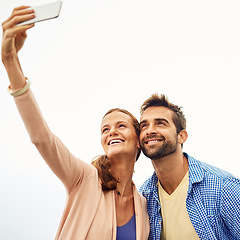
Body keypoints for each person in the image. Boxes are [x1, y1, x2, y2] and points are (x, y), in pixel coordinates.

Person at [1, 6, 149, 240]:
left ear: (139, 140)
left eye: (121, 125)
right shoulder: (84, 178)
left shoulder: (144, 205)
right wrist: (10, 60)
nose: (111, 131)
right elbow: (43, 139)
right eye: (105, 129)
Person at [139, 93, 240, 240]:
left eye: (160, 123)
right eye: (144, 126)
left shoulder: (223, 187)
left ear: (182, 136)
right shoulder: (144, 196)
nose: (150, 130)